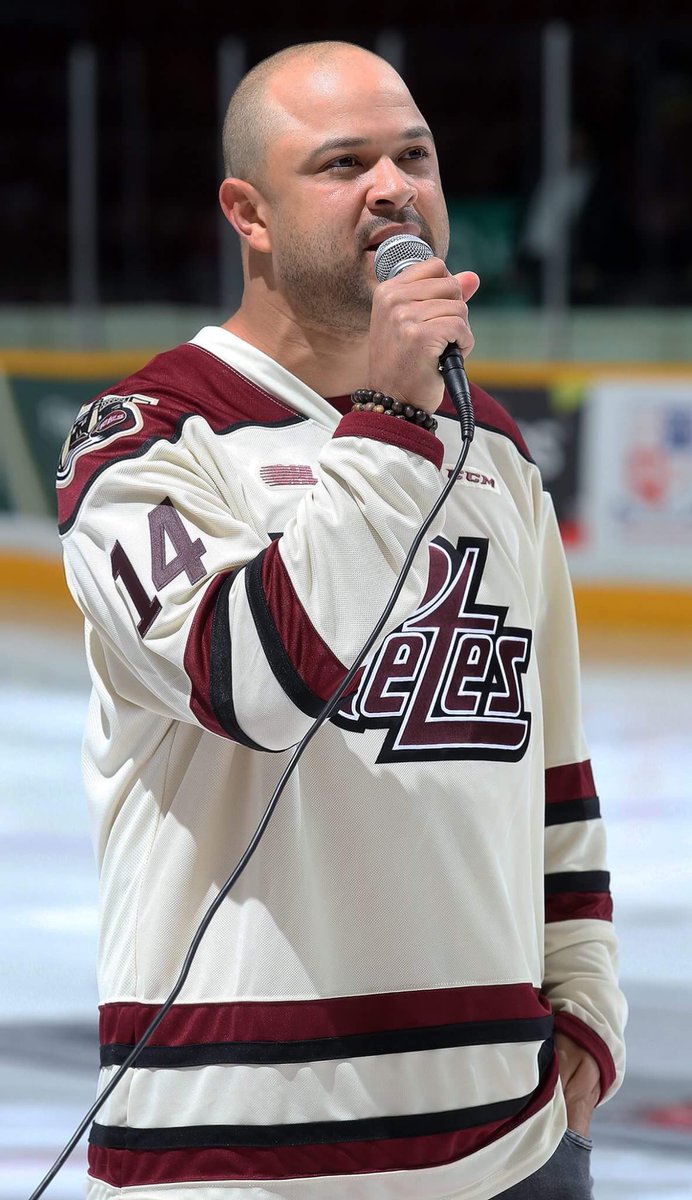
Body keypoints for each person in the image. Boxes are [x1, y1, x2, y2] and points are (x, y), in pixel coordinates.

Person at [57, 40, 626, 1200]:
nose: (392, 187)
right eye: (342, 162)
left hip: (509, 1142)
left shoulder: (494, 454)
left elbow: (547, 763)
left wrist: (584, 991)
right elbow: (253, 685)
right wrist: (387, 418)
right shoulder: (143, 441)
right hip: (234, 1152)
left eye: (412, 154)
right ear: (246, 212)